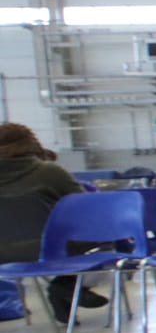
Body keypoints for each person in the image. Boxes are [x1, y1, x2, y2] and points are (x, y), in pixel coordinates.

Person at [0, 122, 107, 320]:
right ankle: (66, 285)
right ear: (31, 144)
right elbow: (89, 209)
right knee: (112, 239)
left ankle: (67, 289)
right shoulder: (48, 172)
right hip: (48, 248)